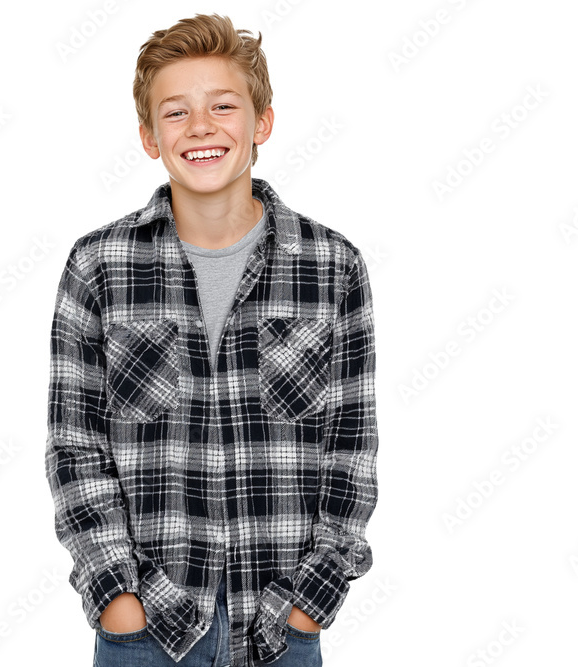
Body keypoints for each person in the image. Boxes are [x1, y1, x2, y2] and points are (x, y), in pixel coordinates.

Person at [45, 13, 378, 666]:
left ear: (262, 123)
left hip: (281, 628)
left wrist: (309, 604)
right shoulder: (99, 266)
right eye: (176, 112)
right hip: (146, 628)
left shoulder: (332, 266)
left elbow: (351, 448)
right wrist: (119, 600)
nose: (200, 126)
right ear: (150, 137)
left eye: (223, 106)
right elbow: (75, 446)